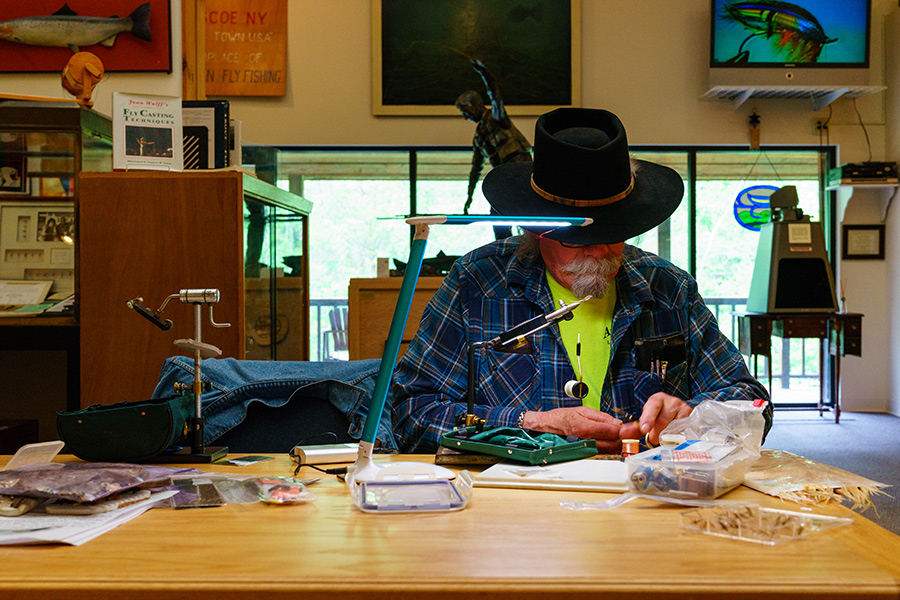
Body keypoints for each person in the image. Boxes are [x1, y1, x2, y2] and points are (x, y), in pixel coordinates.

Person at [392, 107, 772, 454]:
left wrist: (692, 414)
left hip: (646, 497)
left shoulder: (670, 290)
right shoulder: (477, 284)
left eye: (614, 232)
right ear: (537, 228)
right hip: (518, 511)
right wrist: (532, 425)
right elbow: (411, 412)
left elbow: (752, 402)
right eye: (578, 239)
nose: (597, 250)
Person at [456, 58, 532, 238]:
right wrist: (469, 196)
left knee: (526, 215)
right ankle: (504, 250)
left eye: (465, 111)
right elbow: (476, 168)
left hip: (521, 169)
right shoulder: (478, 136)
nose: (466, 117)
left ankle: (530, 245)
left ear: (475, 105)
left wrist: (484, 73)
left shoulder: (497, 117)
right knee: (497, 217)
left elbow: (495, 94)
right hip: (503, 176)